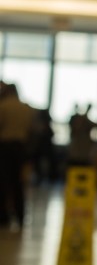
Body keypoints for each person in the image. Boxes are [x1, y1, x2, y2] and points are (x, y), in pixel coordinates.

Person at [0, 83, 38, 230]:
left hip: (5, 147)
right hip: (21, 148)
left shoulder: (3, 106)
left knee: (3, 182)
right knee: (19, 182)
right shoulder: (26, 109)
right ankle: (20, 215)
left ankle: (3, 216)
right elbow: (33, 131)